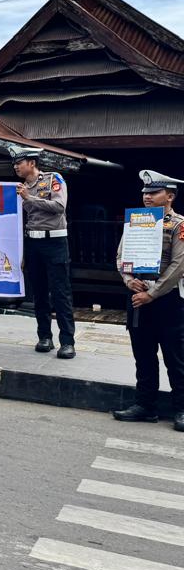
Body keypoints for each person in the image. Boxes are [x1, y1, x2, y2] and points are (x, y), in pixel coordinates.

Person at [112, 170, 184, 431]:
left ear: (170, 196)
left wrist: (152, 294)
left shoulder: (179, 225)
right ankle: (145, 405)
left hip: (167, 299)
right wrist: (128, 280)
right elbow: (121, 256)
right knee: (143, 356)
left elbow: (179, 264)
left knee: (176, 358)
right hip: (137, 297)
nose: (147, 197)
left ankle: (181, 409)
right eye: (145, 192)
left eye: (154, 192)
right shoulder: (136, 221)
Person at [13, 146, 76, 359]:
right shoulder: (20, 188)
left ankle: (67, 342)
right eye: (14, 164)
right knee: (39, 293)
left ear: (31, 163)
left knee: (60, 293)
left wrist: (29, 198)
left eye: (19, 163)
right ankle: (44, 337)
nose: (16, 167)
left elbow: (59, 206)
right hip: (33, 242)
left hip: (55, 241)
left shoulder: (52, 179)